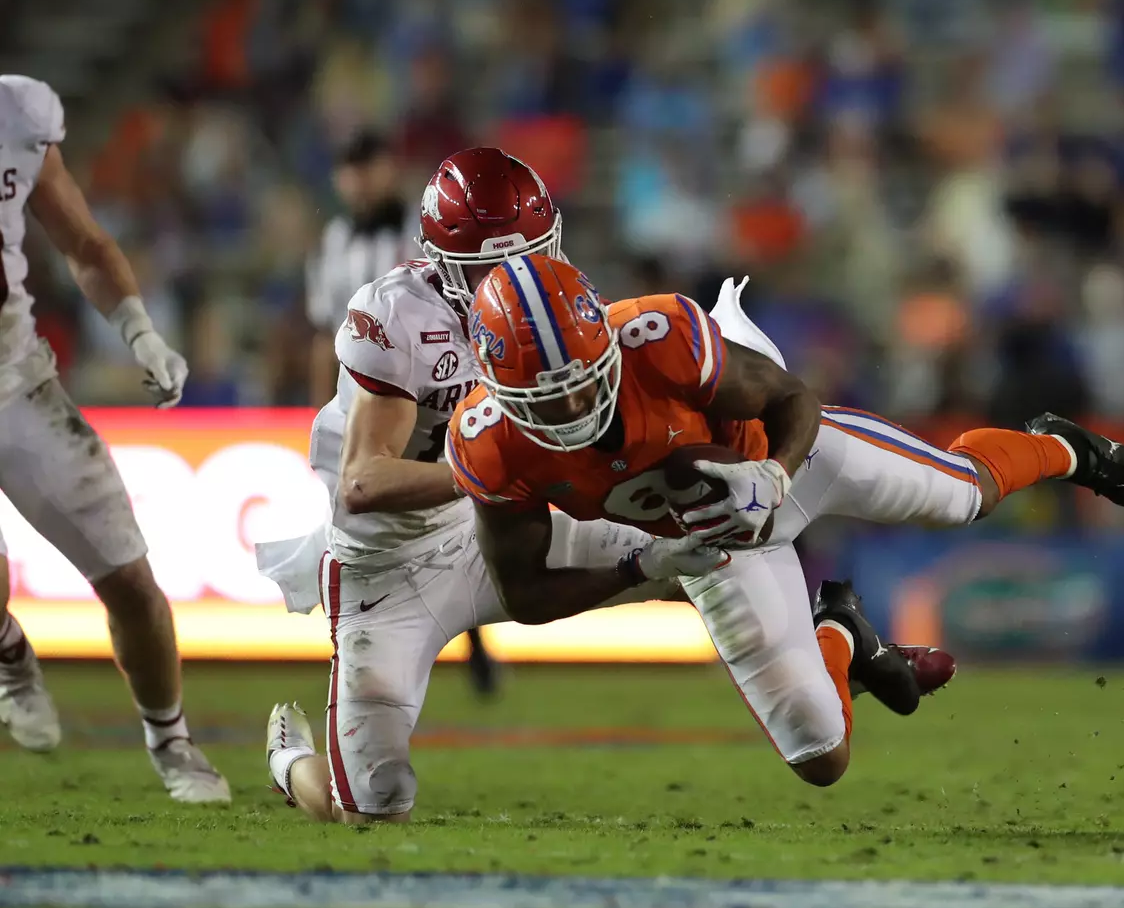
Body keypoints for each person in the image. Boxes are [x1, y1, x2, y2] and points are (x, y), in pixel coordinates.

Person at [257, 148, 944, 823]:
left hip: (496, 524)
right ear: (444, 267)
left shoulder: (559, 309)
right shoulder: (400, 318)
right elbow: (362, 482)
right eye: (494, 265)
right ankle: (293, 765)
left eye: (531, 255)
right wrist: (494, 471)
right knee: (371, 808)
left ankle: (828, 645)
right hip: (393, 565)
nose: (519, 278)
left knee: (698, 523)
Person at [446, 254, 1124, 787]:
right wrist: (644, 567)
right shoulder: (487, 443)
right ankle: (843, 635)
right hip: (707, 545)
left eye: (581, 384)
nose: (574, 410)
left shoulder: (658, 337)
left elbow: (794, 399)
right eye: (547, 401)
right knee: (821, 758)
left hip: (789, 459)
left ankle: (1064, 448)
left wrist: (773, 475)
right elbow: (523, 595)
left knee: (963, 496)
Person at [0, 74, 228, 802]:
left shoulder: (19, 113)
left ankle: (172, 743)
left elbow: (85, 243)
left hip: (14, 381)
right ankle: (9, 654)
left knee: (131, 581)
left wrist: (140, 332)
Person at [304, 129, 499, 695]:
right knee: (370, 521)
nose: (358, 180)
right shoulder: (335, 239)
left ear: (388, 169)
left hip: (437, 387)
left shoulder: (427, 241)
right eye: (349, 168)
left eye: (367, 166)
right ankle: (373, 640)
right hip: (369, 395)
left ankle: (472, 640)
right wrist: (323, 400)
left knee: (460, 509)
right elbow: (324, 328)